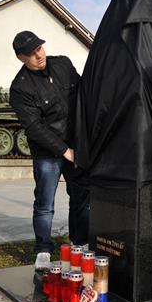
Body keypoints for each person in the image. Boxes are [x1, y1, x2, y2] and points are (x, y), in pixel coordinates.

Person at [9, 31, 90, 270]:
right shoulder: (20, 88)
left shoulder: (63, 64)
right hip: (48, 153)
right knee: (45, 203)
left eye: (39, 48)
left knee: (82, 199)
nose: (38, 55)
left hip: (76, 146)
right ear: (20, 57)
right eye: (31, 53)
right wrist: (64, 150)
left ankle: (80, 244)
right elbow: (34, 127)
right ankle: (43, 250)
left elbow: (85, 95)